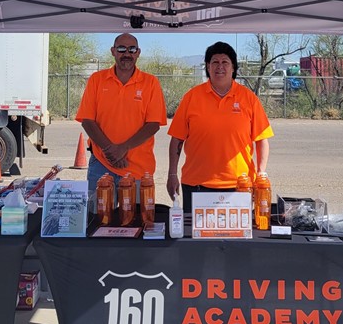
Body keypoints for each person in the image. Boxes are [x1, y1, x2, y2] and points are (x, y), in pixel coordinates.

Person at [166, 41, 273, 210]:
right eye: (215, 62)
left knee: (236, 236)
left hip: (239, 187)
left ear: (233, 68)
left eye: (225, 62)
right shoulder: (191, 98)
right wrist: (172, 174)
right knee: (194, 236)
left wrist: (261, 174)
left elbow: (261, 140)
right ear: (208, 67)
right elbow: (176, 139)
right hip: (196, 186)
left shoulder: (249, 99)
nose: (220, 67)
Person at [76, 33, 167, 205]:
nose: (127, 53)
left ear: (138, 52)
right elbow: (87, 120)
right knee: (98, 222)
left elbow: (154, 124)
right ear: (113, 51)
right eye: (121, 49)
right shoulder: (97, 80)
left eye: (132, 49)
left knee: (138, 223)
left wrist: (123, 148)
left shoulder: (150, 82)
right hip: (101, 165)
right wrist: (111, 151)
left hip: (139, 169)